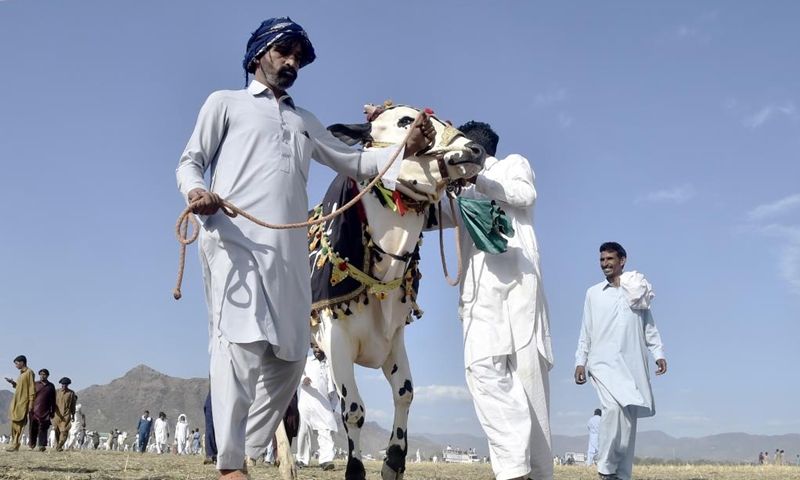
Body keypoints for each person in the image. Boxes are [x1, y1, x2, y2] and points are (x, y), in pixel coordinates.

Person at [174, 16, 435, 480]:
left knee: (293, 356)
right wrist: (197, 192)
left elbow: (352, 158)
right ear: (259, 54)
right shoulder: (226, 103)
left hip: (289, 249)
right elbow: (191, 161)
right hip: (232, 239)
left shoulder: (301, 120)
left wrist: (405, 150)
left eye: (299, 57)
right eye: (284, 52)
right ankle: (231, 464)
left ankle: (248, 447)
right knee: (239, 346)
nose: (292, 62)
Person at [442, 121, 554, 480]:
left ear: (473, 149)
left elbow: (525, 195)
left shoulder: (510, 166)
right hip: (478, 294)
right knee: (481, 371)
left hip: (518, 286)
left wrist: (479, 179)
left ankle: (535, 472)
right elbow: (431, 215)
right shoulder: (457, 193)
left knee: (528, 382)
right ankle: (511, 469)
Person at [574, 242, 667, 480]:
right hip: (602, 365)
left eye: (609, 259)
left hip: (632, 365)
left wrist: (658, 354)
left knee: (628, 421)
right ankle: (605, 469)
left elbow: (649, 327)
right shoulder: (593, 293)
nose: (605, 264)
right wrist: (580, 361)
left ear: (622, 260)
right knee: (612, 410)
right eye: (602, 260)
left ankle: (621, 474)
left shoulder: (636, 291)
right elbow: (586, 331)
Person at [296, 342, 338, 470]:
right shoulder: (306, 361)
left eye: (320, 347)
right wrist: (303, 379)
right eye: (315, 347)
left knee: (326, 430)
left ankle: (326, 460)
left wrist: (333, 405)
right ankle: (302, 460)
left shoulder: (331, 364)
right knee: (304, 431)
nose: (318, 349)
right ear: (312, 348)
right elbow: (297, 374)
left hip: (324, 403)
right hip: (306, 402)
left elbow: (334, 388)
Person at [5, 355, 36, 452]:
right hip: (16, 401)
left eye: (17, 363)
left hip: (24, 402)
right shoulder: (21, 374)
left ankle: (15, 444)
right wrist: (13, 383)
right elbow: (20, 387)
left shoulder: (29, 373)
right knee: (14, 422)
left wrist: (31, 402)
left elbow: (31, 388)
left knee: (19, 423)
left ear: (22, 362)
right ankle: (14, 444)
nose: (16, 366)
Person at [27, 368, 57, 451]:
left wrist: (53, 411)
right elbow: (30, 396)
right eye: (41, 374)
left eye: (44, 374)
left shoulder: (51, 386)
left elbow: (53, 399)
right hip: (34, 410)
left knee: (43, 428)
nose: (42, 376)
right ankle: (32, 444)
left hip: (45, 411)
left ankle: (42, 445)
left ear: (47, 376)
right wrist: (29, 406)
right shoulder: (35, 384)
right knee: (33, 428)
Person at [53, 377, 78, 451]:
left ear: (68, 385)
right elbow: (52, 402)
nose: (64, 385)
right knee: (56, 430)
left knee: (64, 431)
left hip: (66, 415)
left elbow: (73, 405)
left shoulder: (71, 393)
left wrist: (73, 415)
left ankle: (60, 444)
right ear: (61, 384)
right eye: (63, 384)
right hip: (57, 415)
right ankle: (57, 445)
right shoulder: (56, 392)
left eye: (66, 384)